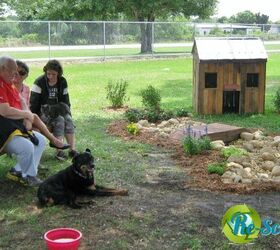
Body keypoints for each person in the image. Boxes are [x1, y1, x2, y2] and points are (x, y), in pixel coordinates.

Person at [0, 56, 44, 186]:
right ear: (2, 69)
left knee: (40, 140)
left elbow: (22, 100)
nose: (16, 74)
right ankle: (29, 176)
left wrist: (27, 115)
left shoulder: (8, 83)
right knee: (27, 146)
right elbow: (4, 111)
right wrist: (26, 114)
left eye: (18, 72)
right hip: (3, 132)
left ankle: (20, 171)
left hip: (12, 127)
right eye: (13, 71)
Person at [13, 60, 69, 150]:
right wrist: (27, 117)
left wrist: (28, 118)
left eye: (22, 73)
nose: (18, 74)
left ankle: (62, 149)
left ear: (26, 75)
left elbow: (26, 107)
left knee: (60, 119)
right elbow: (8, 109)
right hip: (13, 120)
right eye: (15, 72)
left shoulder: (26, 89)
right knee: (35, 121)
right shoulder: (7, 87)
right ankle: (54, 141)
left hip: (25, 119)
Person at [30, 60, 77, 161]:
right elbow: (33, 104)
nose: (50, 76)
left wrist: (68, 114)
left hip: (58, 109)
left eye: (53, 74)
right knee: (59, 120)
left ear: (58, 73)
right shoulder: (39, 82)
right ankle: (59, 150)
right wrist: (34, 122)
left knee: (68, 119)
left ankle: (72, 150)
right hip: (43, 112)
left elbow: (66, 101)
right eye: (48, 73)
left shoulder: (62, 82)